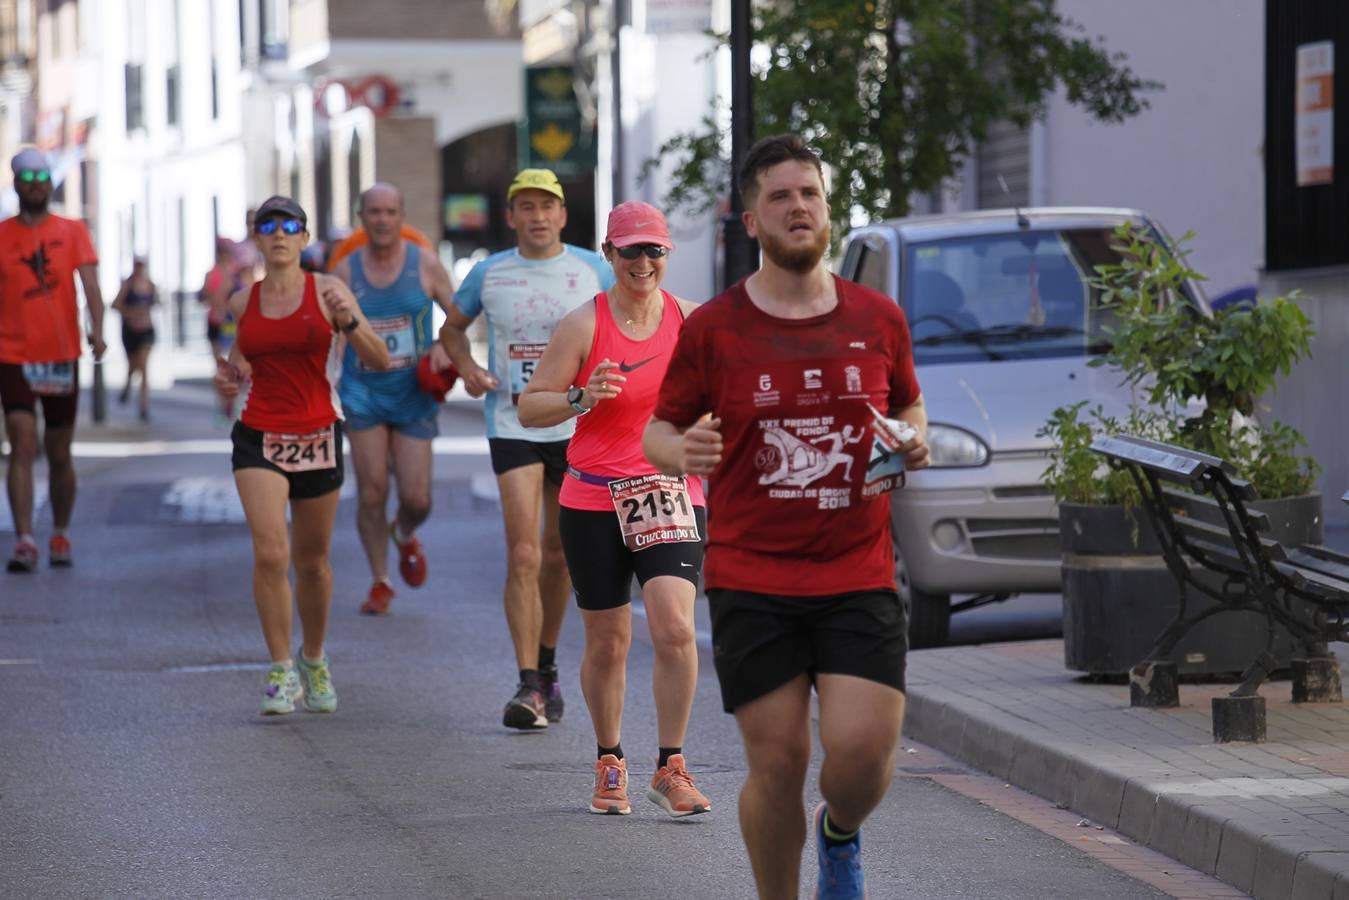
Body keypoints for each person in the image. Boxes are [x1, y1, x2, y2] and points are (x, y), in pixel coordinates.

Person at [642, 134, 931, 899]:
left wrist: (913, 439)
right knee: (777, 763)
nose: (797, 206)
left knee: (863, 756)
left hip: (857, 570)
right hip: (752, 575)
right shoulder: (714, 329)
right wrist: (684, 450)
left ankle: (839, 833)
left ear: (828, 209)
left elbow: (905, 404)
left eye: (809, 193)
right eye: (779, 196)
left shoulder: (877, 317)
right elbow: (658, 429)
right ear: (750, 220)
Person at [519, 201, 710, 818]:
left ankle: (671, 765)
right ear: (609, 255)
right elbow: (530, 407)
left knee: (676, 628)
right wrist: (581, 396)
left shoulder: (690, 321)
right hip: (594, 495)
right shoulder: (582, 325)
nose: (643, 262)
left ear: (667, 255)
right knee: (608, 641)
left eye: (653, 249)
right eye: (630, 250)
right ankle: (610, 759)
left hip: (668, 492)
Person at [439, 168, 614, 730]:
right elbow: (452, 329)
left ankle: (547, 662)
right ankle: (528, 684)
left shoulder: (595, 269)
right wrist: (467, 368)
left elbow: (631, 324)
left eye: (547, 206)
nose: (537, 216)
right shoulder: (489, 273)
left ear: (563, 215)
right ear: (510, 216)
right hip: (513, 422)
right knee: (523, 553)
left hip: (578, 426)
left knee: (560, 554)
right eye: (526, 207)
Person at [214, 195, 389, 715]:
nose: (279, 234)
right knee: (271, 551)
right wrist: (227, 378)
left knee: (312, 562)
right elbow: (236, 362)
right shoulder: (244, 302)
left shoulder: (330, 291)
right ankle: (279, 668)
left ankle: (313, 658)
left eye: (290, 225)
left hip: (317, 433)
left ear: (304, 237)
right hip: (259, 434)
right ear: (258, 238)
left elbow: (378, 358)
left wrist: (349, 324)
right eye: (268, 226)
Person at [330, 182, 457, 615]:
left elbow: (459, 315)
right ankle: (380, 580)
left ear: (401, 217)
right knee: (371, 490)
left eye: (390, 211)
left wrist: (446, 345)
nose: (382, 219)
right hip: (362, 392)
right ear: (362, 218)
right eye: (374, 212)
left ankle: (403, 533)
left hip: (412, 392)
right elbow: (330, 335)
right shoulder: (345, 272)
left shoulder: (424, 264)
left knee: (418, 498)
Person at [0, 148, 105, 572]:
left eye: (43, 176)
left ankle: (60, 529)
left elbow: (91, 285)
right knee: (22, 441)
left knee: (59, 451)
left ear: (51, 183)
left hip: (60, 354)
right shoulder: (3, 235)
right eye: (27, 177)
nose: (36, 184)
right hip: (11, 352)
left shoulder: (72, 230)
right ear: (16, 184)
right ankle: (25, 538)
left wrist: (97, 327)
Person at [112, 256, 158, 421]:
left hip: (146, 330)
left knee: (144, 366)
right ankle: (127, 384)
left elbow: (156, 303)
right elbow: (115, 305)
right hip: (130, 331)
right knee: (134, 365)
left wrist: (144, 313)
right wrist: (132, 312)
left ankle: (143, 406)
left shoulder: (151, 285)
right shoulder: (127, 285)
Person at [201, 238, 242, 422]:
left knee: (237, 367)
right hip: (217, 324)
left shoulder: (238, 272)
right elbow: (205, 296)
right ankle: (221, 406)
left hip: (234, 324)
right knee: (221, 367)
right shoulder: (213, 274)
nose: (225, 254)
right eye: (223, 251)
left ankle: (232, 404)